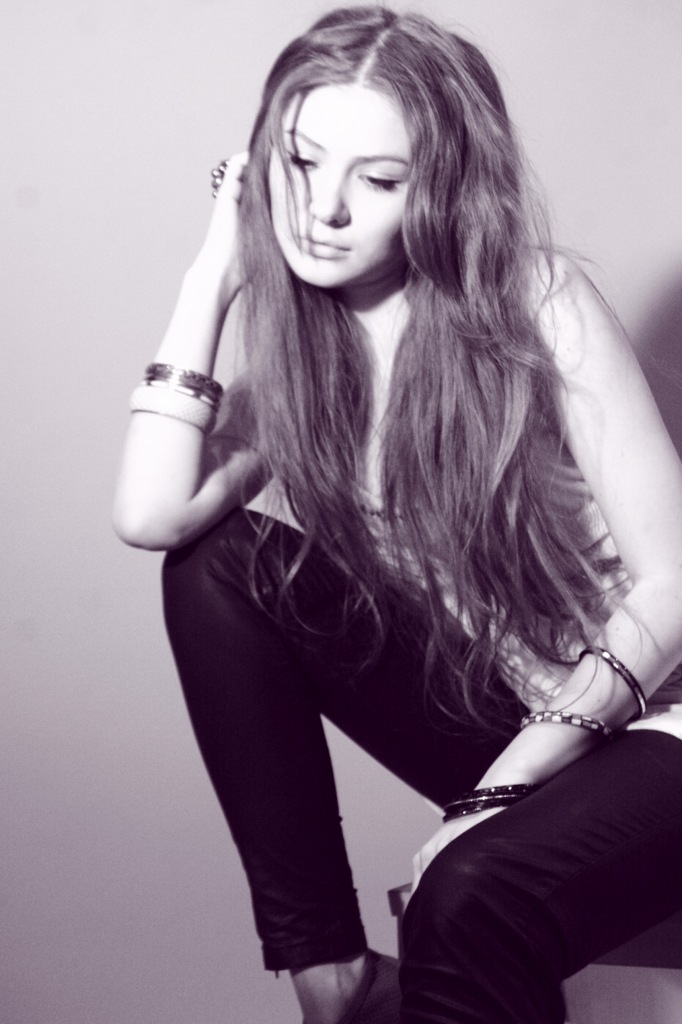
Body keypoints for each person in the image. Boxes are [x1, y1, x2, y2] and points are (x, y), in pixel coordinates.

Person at [113, 6, 682, 1023]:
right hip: (529, 721)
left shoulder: (534, 301)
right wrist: (216, 271)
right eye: (300, 163)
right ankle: (333, 977)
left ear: (443, 189)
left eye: (378, 180)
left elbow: (676, 584)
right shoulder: (303, 376)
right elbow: (153, 514)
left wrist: (495, 796)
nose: (322, 209)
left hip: (660, 723)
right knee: (219, 563)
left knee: (468, 888)